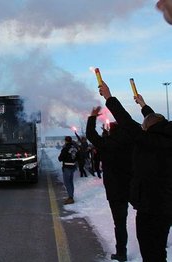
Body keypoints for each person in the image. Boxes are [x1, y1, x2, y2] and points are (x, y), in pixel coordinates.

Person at [99, 81, 172, 262]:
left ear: (147, 129)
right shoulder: (166, 136)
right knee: (159, 247)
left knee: (151, 252)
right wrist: (143, 105)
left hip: (151, 207)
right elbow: (157, 122)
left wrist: (108, 96)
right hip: (167, 205)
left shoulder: (148, 141)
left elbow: (125, 120)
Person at [86, 106, 134, 261]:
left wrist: (92, 117)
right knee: (149, 216)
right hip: (134, 186)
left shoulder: (106, 144)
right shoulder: (132, 143)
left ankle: (121, 253)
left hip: (115, 190)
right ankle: (162, 241)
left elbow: (90, 134)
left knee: (120, 224)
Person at [58, 136, 78, 205]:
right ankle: (71, 196)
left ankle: (70, 197)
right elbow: (77, 157)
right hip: (73, 167)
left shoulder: (65, 148)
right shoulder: (75, 148)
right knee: (71, 182)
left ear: (66, 141)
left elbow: (60, 158)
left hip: (67, 167)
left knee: (67, 183)